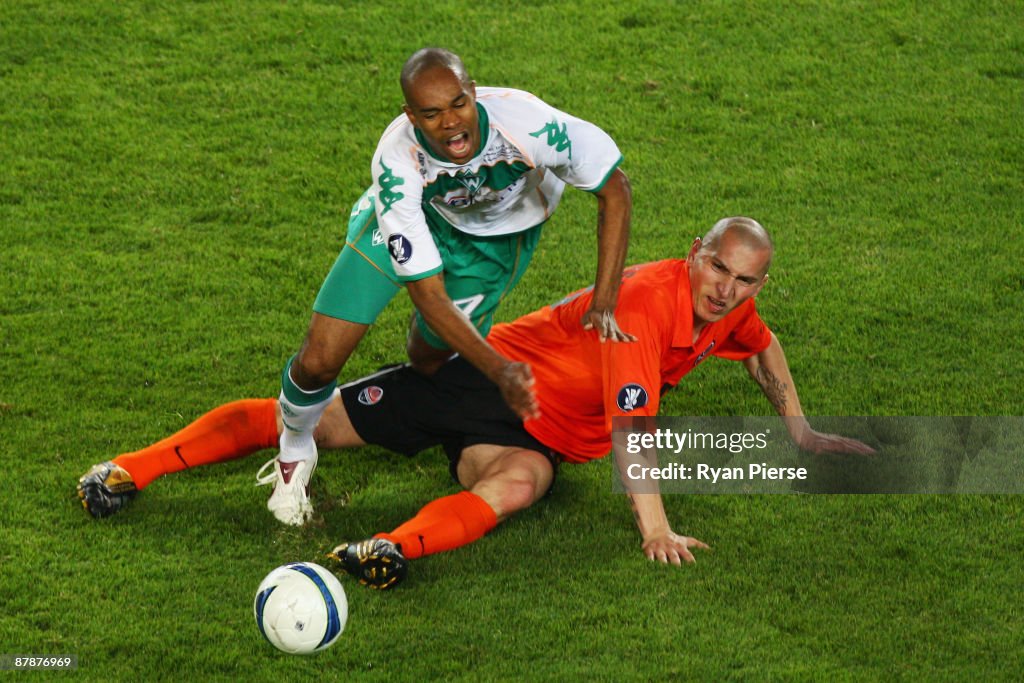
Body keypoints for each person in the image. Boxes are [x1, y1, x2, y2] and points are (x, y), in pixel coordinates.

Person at [77, 217, 874, 589]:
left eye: (743, 281)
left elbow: (762, 347)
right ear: (694, 252)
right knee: (309, 420)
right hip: (477, 379)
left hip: (540, 436)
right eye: (717, 270)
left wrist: (798, 428)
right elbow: (634, 425)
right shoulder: (640, 301)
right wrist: (656, 527)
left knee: (521, 484)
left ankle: (387, 548)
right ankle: (126, 469)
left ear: (757, 283)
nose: (724, 290)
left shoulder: (731, 309)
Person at [268, 47, 635, 526]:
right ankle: (295, 450)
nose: (450, 123)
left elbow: (615, 189)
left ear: (474, 92)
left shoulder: (530, 124)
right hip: (420, 216)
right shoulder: (396, 163)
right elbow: (428, 294)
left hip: (494, 243)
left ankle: (394, 394)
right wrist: (500, 371)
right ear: (410, 116)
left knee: (428, 358)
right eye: (431, 113)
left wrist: (604, 299)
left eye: (458, 104)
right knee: (318, 360)